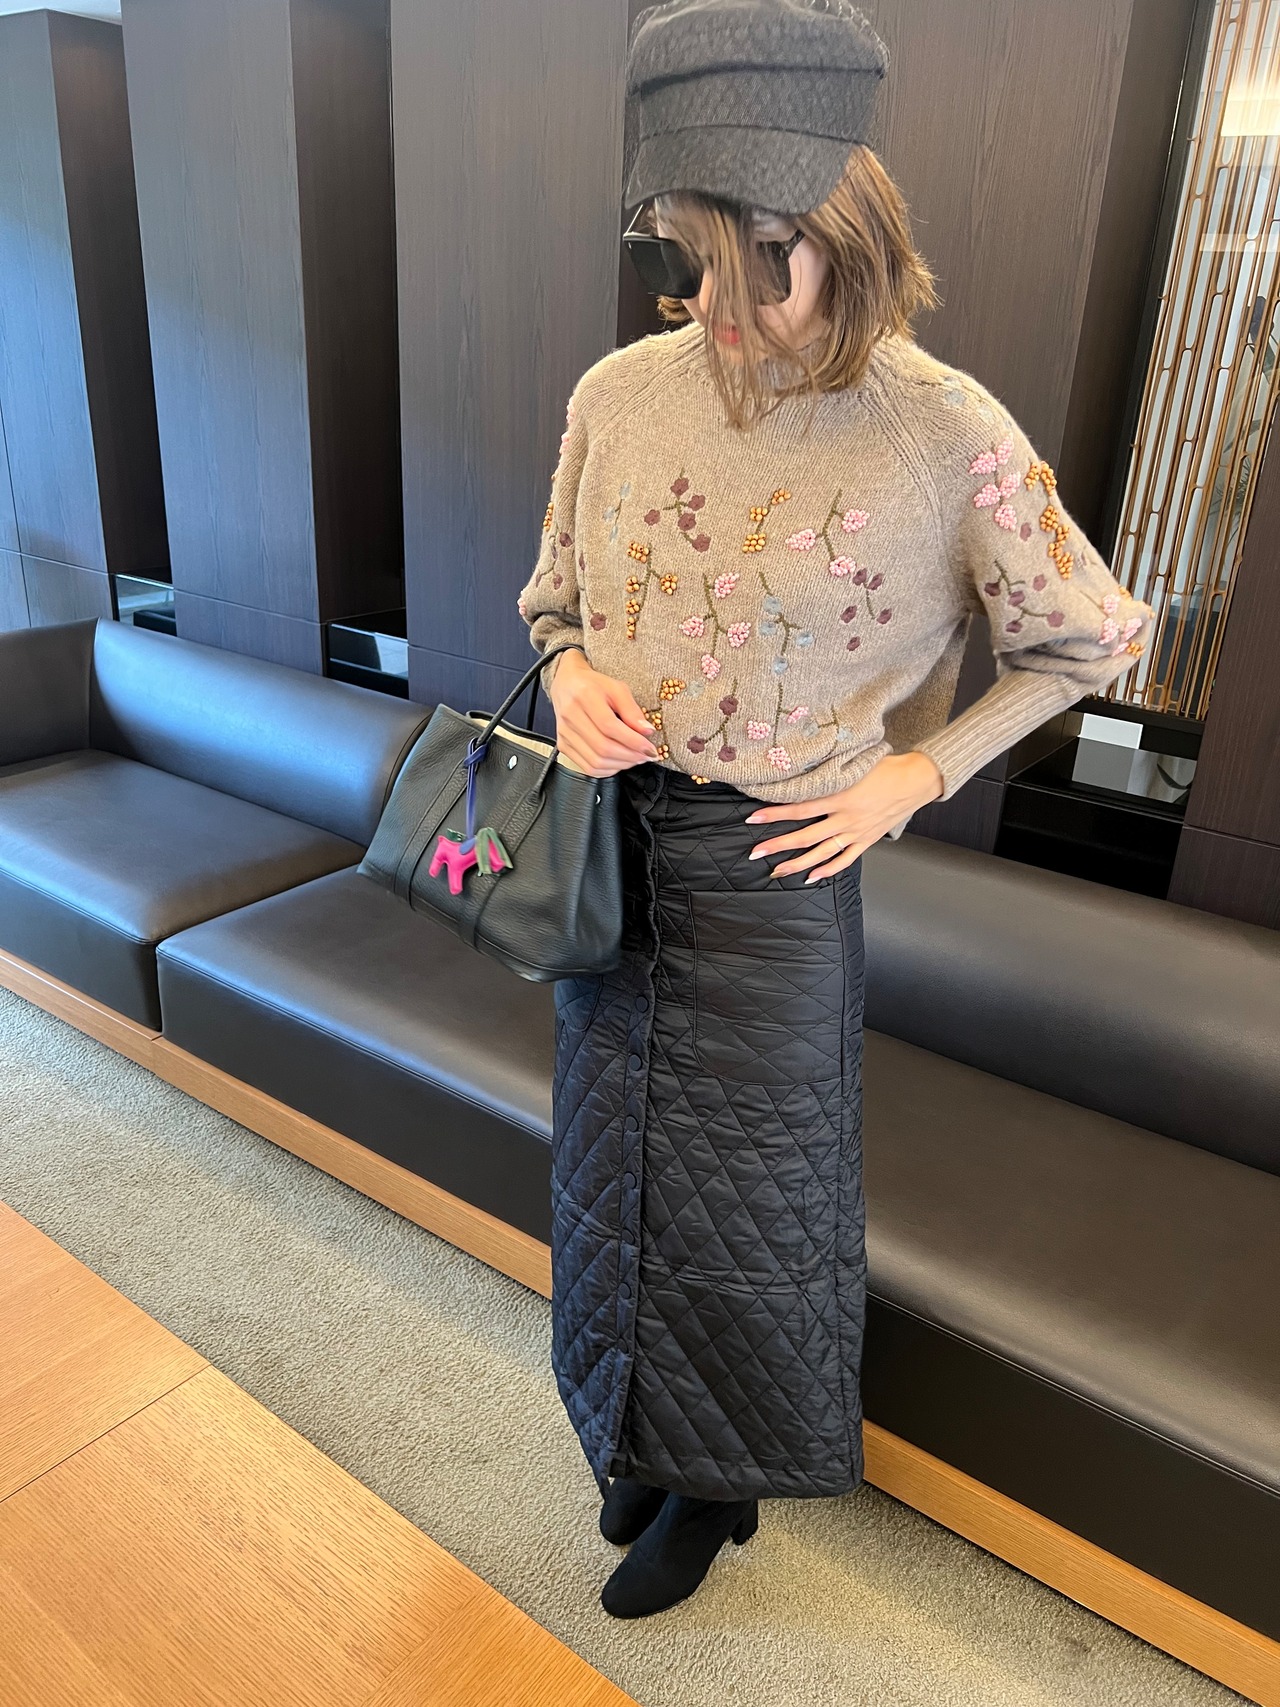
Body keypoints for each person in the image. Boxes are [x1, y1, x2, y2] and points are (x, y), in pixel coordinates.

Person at [518, 0, 1154, 1621]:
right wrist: (572, 671)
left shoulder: (944, 429)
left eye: (757, 268)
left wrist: (914, 773)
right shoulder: (619, 394)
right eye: (683, 265)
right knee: (607, 1169)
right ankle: (629, 1436)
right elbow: (553, 599)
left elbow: (1092, 639)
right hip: (612, 848)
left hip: (778, 871)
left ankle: (717, 1489)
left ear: (844, 236)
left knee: (755, 1205)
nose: (718, 311)